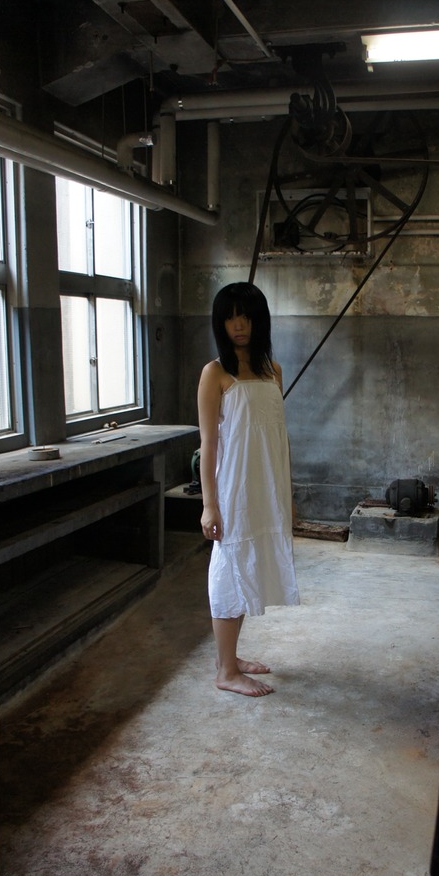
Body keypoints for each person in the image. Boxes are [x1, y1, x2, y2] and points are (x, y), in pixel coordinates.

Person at [197, 282, 300, 696]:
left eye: (246, 316)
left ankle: (229, 657)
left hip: (266, 485)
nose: (238, 325)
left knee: (249, 568)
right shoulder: (215, 373)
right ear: (220, 324)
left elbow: (278, 437)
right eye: (230, 317)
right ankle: (226, 672)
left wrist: (288, 496)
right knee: (230, 569)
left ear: (260, 321)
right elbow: (209, 444)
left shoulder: (273, 371)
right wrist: (210, 505)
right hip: (234, 488)